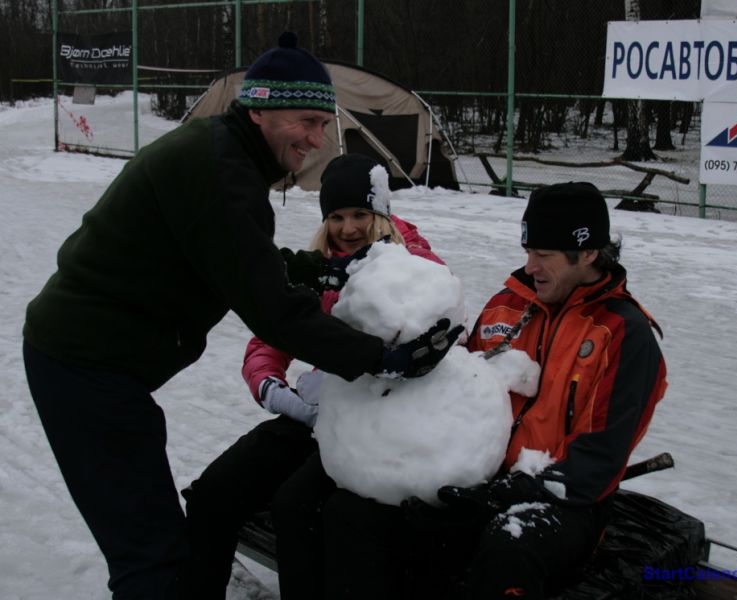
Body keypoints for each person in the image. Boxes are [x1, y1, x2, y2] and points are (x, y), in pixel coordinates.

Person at [20, 32, 460, 600]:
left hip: (93, 364)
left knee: (157, 550)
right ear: (260, 109)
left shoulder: (218, 154)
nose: (316, 137)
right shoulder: (223, 175)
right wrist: (382, 358)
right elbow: (272, 311)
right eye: (305, 119)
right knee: (153, 559)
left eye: (323, 123)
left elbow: (233, 256)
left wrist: (314, 270)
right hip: (87, 369)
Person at [289, 181, 668, 599]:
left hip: (563, 499)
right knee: (354, 512)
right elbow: (455, 384)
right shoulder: (509, 304)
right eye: (528, 252)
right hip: (477, 474)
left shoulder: (623, 334)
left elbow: (601, 455)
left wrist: (510, 492)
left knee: (509, 544)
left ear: (589, 253)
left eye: (545, 255)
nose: (532, 266)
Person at [180, 152, 448, 599]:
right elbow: (269, 337)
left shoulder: (413, 263)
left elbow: (434, 343)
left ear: (380, 213)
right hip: (314, 417)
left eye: (361, 214)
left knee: (297, 507)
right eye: (337, 216)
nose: (348, 229)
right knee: (214, 494)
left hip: (374, 427)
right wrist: (270, 386)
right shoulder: (314, 264)